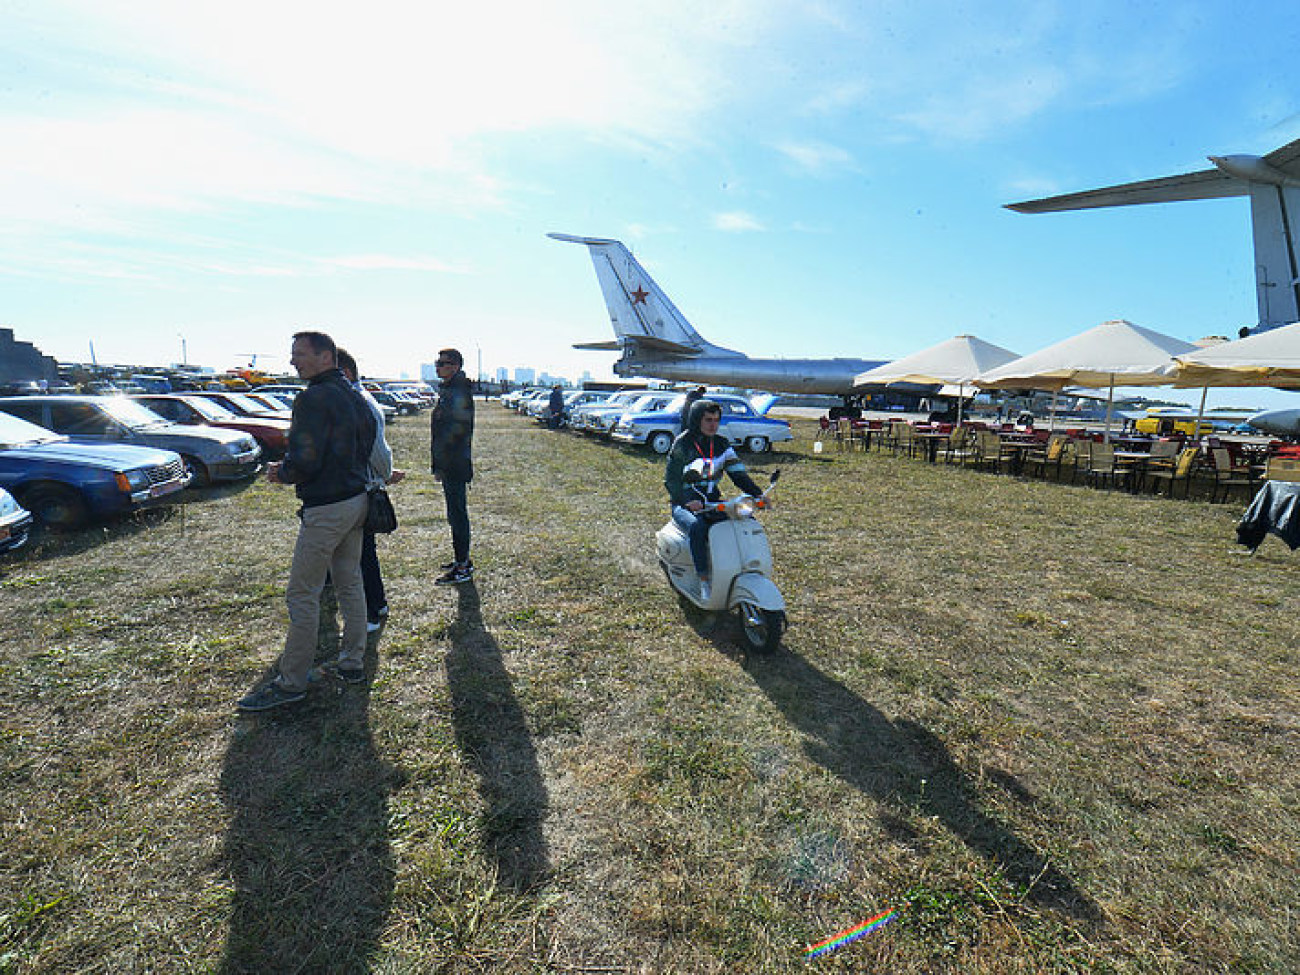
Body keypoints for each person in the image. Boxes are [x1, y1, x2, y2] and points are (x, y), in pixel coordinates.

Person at [237, 331, 377, 711]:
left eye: (299, 354)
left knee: (303, 594)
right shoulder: (355, 395)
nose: (292, 361)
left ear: (326, 356)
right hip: (356, 500)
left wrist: (282, 473)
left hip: (328, 507)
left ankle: (291, 682)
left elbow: (306, 458)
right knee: (350, 583)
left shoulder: (312, 398)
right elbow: (363, 448)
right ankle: (352, 662)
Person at [664, 399, 763, 600]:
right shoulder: (683, 443)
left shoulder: (721, 444)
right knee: (698, 528)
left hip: (712, 502)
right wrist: (684, 502)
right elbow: (671, 479)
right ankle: (703, 579)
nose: (713, 425)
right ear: (696, 420)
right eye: (708, 420)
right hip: (685, 503)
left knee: (745, 521)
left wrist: (757, 494)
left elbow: (737, 473)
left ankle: (745, 567)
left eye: (716, 420)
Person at [336, 348, 405, 631]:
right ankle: (377, 604)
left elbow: (378, 451)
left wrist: (384, 476)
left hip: (360, 489)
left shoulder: (359, 403)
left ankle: (372, 612)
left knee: (360, 554)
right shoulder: (353, 400)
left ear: (346, 373)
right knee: (363, 552)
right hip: (357, 488)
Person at [430, 348, 475, 585]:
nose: (438, 367)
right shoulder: (449, 390)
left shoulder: (457, 392)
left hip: (455, 465)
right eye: (437, 363)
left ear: (455, 366)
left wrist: (444, 465)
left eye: (443, 363)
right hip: (450, 464)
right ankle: (461, 558)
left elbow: (454, 434)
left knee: (457, 515)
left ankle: (462, 564)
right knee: (454, 514)